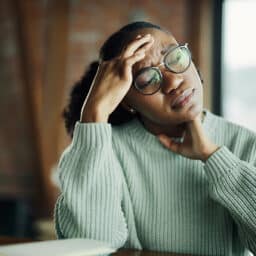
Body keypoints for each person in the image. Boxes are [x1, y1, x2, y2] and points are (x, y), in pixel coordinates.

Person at [54, 21, 256, 255]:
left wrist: (214, 157)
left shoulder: (245, 143)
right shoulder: (105, 151)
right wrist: (94, 113)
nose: (173, 82)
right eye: (147, 80)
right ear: (127, 101)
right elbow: (90, 245)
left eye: (175, 58)